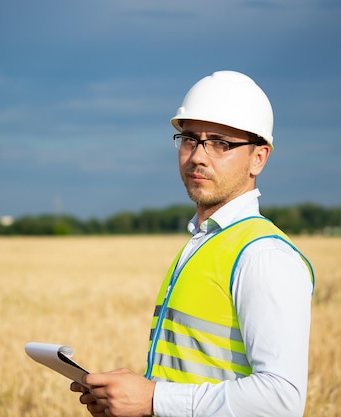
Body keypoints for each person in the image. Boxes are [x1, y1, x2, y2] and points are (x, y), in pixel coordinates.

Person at [71, 70, 315, 417]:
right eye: (189, 139)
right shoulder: (203, 243)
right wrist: (133, 401)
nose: (198, 156)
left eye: (220, 143)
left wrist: (153, 399)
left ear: (258, 158)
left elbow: (281, 400)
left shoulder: (263, 255)